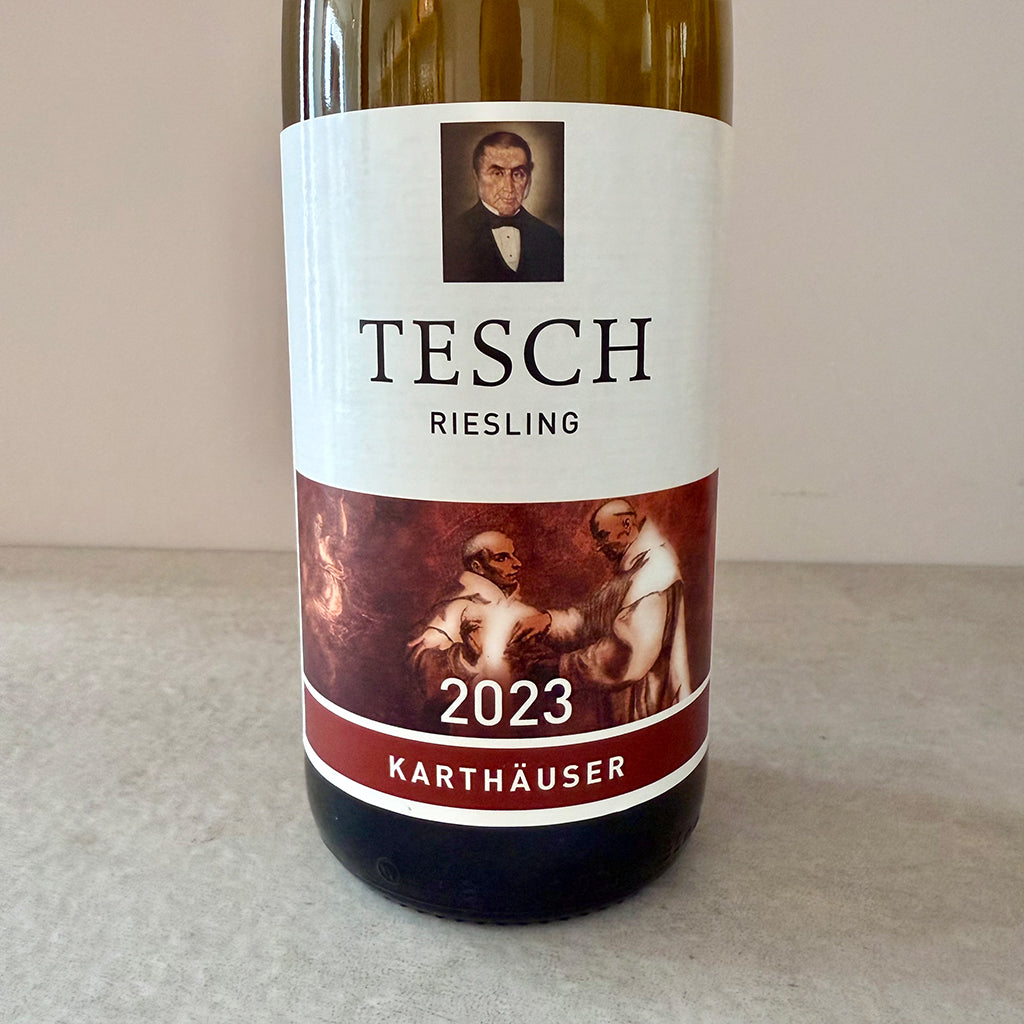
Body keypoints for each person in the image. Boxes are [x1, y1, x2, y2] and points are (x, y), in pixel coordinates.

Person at [516, 500, 692, 727]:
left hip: (645, 707)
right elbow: (591, 616)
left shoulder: (654, 572)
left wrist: (562, 666)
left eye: (603, 535)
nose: (599, 547)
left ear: (626, 524)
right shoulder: (636, 566)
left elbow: (627, 656)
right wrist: (548, 621)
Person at [408, 530, 548, 717]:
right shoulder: (457, 608)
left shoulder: (524, 611)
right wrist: (465, 658)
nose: (517, 563)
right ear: (477, 567)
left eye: (513, 555)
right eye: (502, 558)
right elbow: (419, 661)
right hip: (462, 722)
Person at [443, 130, 564, 282]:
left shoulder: (551, 239)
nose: (509, 188)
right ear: (476, 176)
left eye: (518, 174)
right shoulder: (450, 237)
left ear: (529, 178)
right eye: (497, 174)